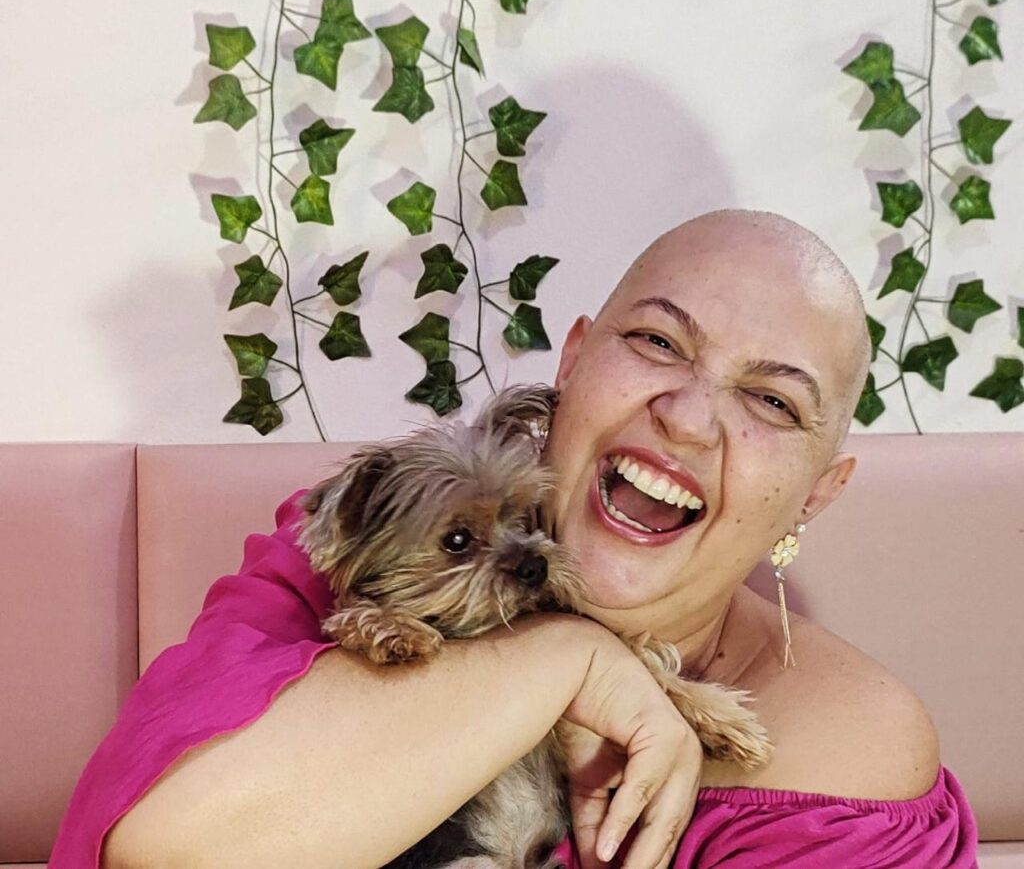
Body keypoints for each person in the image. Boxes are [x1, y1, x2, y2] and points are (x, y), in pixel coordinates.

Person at [54, 209, 978, 868]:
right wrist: (572, 660)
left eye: (772, 400)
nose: (689, 417)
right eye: (658, 343)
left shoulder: (852, 758)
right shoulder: (371, 545)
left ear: (817, 493)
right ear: (571, 363)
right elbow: (165, 849)